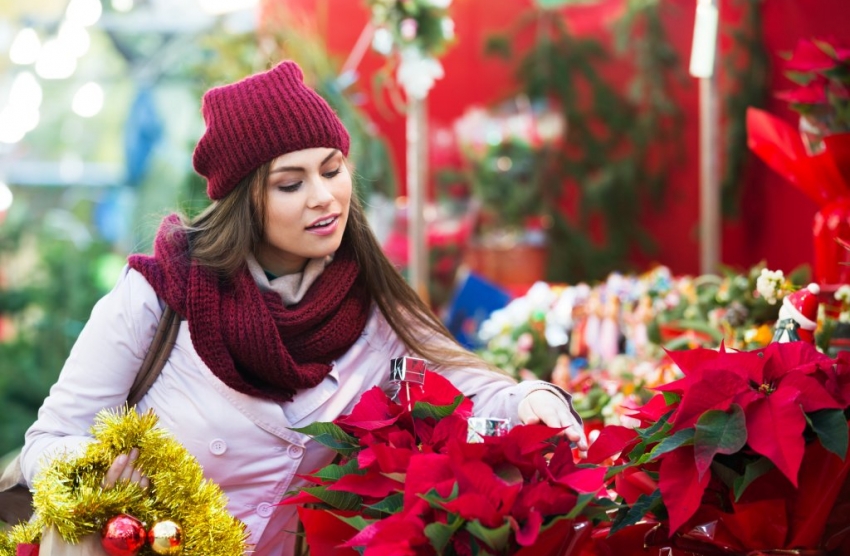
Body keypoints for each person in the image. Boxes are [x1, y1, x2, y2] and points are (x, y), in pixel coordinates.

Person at [20, 61, 586, 555]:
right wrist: (100, 472)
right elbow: (44, 446)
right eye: (291, 184)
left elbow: (468, 386)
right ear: (246, 202)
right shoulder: (160, 294)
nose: (324, 196)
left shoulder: (368, 301)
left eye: (332, 168)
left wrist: (534, 397)